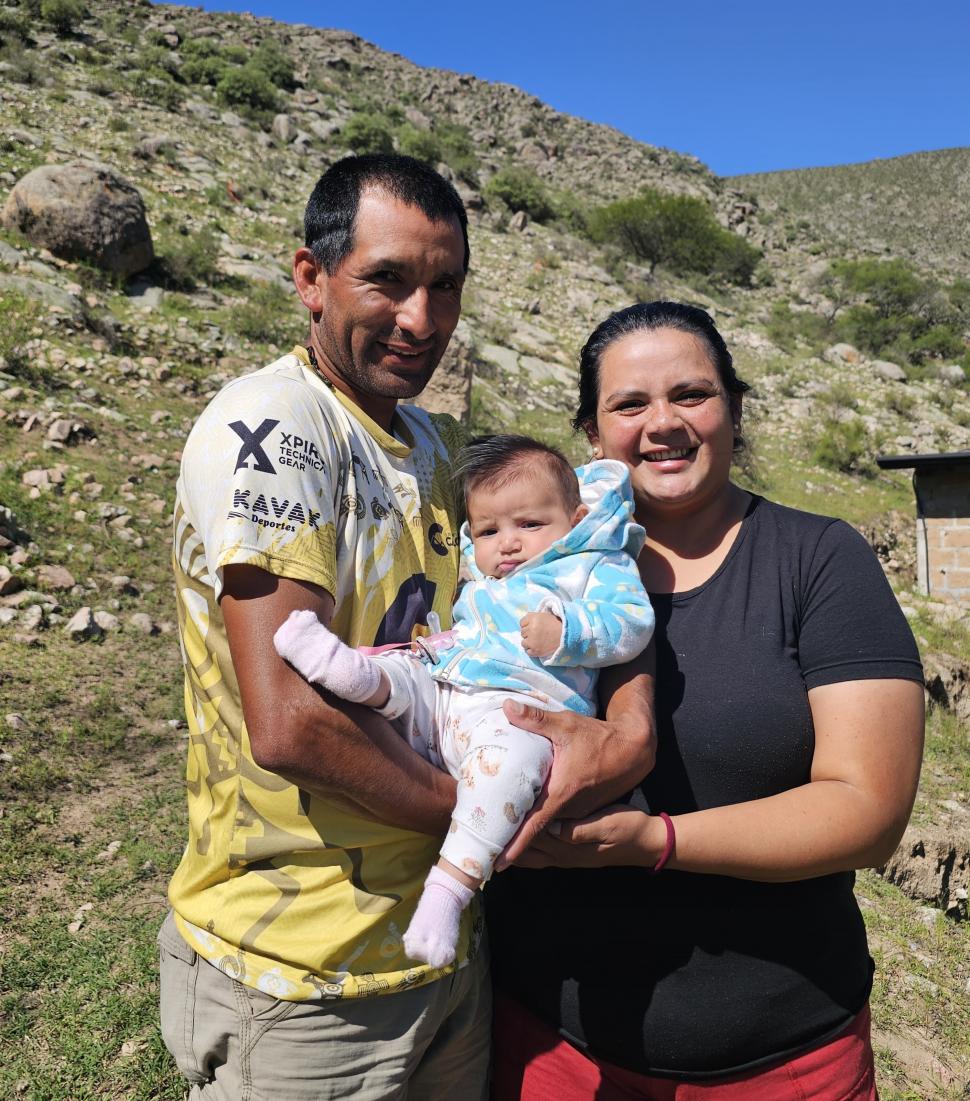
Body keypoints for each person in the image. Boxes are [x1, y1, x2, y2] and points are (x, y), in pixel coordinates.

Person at [486, 300, 925, 1100]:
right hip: (551, 1041)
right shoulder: (522, 557)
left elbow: (870, 808)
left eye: (691, 393)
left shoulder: (818, 560)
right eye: (629, 403)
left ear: (735, 407)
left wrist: (655, 840)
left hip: (781, 1057)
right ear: (593, 435)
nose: (663, 423)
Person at [160, 154, 487, 1099]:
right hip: (301, 974)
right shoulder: (275, 425)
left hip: (437, 945)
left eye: (445, 287)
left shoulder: (428, 441)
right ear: (310, 276)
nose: (422, 320)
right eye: (386, 279)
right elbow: (291, 720)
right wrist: (480, 824)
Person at [273, 435, 655, 970]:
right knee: (407, 673)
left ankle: (449, 890)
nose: (508, 544)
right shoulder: (484, 574)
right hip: (449, 688)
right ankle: (349, 671)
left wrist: (568, 630)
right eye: (489, 531)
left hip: (519, 714)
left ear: (577, 517)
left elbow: (632, 624)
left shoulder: (592, 565)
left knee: (513, 766)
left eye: (530, 525)